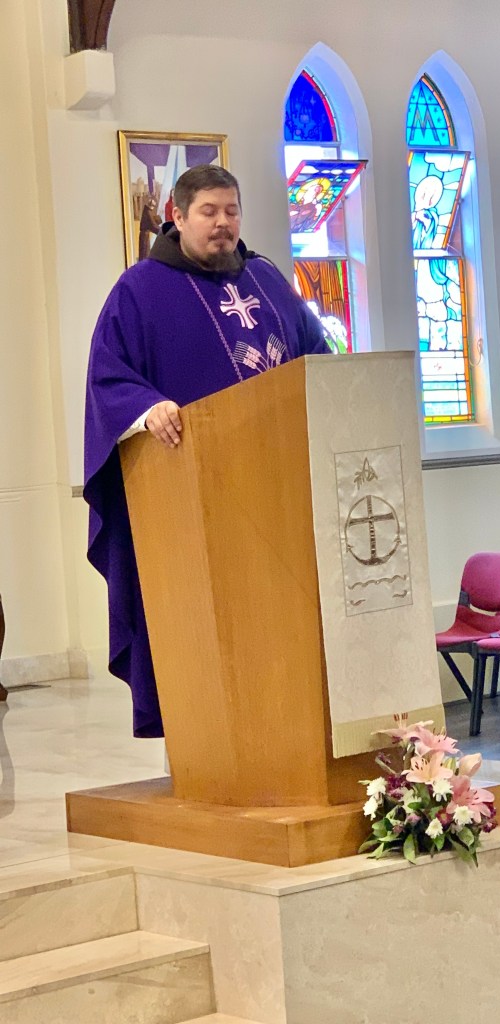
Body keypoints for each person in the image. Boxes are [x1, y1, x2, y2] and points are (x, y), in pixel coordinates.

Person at [84, 164, 329, 738]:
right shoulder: (140, 291)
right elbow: (108, 378)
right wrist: (147, 408)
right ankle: (210, 744)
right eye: (209, 212)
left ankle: (291, 736)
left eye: (231, 211)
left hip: (285, 495)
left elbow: (317, 355)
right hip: (193, 506)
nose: (223, 224)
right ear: (177, 215)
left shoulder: (267, 280)